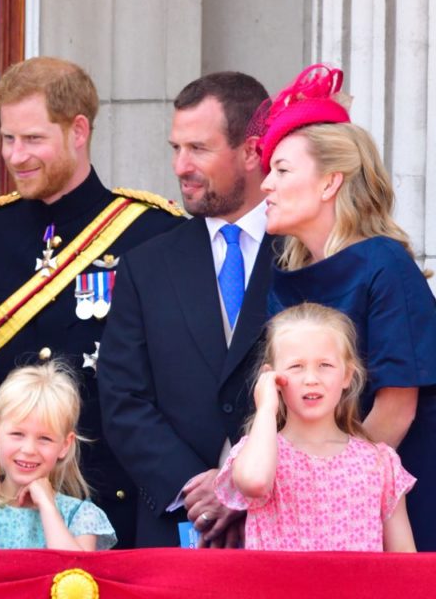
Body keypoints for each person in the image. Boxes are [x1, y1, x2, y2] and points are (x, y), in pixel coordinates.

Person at [0, 56, 184, 548]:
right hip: (3, 496)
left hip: (111, 491)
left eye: (32, 139)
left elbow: (167, 377)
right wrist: (21, 453)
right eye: (7, 138)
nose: (15, 156)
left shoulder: (152, 231)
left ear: (78, 131)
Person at [255, 63, 436, 550]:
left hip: (387, 513)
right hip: (305, 513)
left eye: (282, 170)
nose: (265, 186)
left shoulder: (383, 264)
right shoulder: (286, 275)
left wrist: (331, 491)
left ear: (330, 183)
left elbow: (396, 409)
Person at [98, 71, 275, 548]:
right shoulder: (147, 265)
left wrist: (243, 486)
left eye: (197, 148)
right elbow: (122, 398)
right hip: (180, 523)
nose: (180, 166)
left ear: (252, 151)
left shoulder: (306, 254)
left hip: (288, 518)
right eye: (175, 148)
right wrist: (200, 487)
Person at [214, 303, 416, 551]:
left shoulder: (380, 463)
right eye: (296, 366)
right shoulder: (258, 453)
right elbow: (255, 482)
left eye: (325, 365)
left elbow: (405, 565)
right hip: (278, 590)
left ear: (346, 376)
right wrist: (266, 406)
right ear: (272, 377)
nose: (312, 379)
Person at [0, 361, 116, 550]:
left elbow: (77, 573)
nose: (28, 449)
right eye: (17, 434)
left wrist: (47, 505)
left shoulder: (80, 515)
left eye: (44, 438)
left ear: (65, 445)